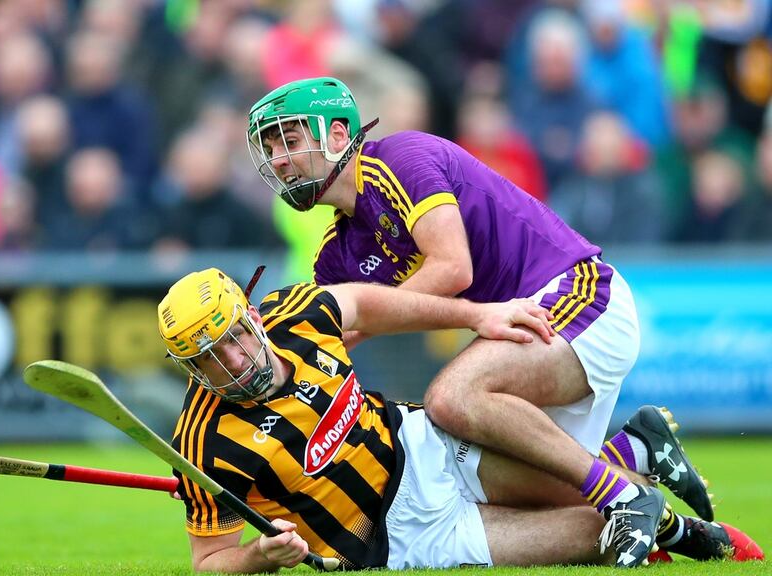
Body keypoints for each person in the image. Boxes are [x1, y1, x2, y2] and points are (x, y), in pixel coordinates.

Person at [244, 76, 712, 566]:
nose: (278, 160)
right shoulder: (337, 254)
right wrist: (253, 368)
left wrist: (369, 318)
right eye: (271, 149)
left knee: (452, 398)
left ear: (339, 135)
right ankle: (640, 458)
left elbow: (452, 267)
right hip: (525, 327)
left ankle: (625, 496)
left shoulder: (397, 160)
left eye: (290, 142)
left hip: (578, 295)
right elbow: (321, 347)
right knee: (498, 481)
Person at [156, 269, 762, 572]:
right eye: (208, 358)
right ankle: (665, 499)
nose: (232, 362)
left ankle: (632, 463)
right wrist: (261, 556)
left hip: (426, 447)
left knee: (599, 493)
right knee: (592, 535)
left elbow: (367, 302)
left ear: (251, 318)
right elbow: (209, 562)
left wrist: (475, 315)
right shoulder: (204, 441)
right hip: (402, 539)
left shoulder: (297, 314)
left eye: (234, 338)